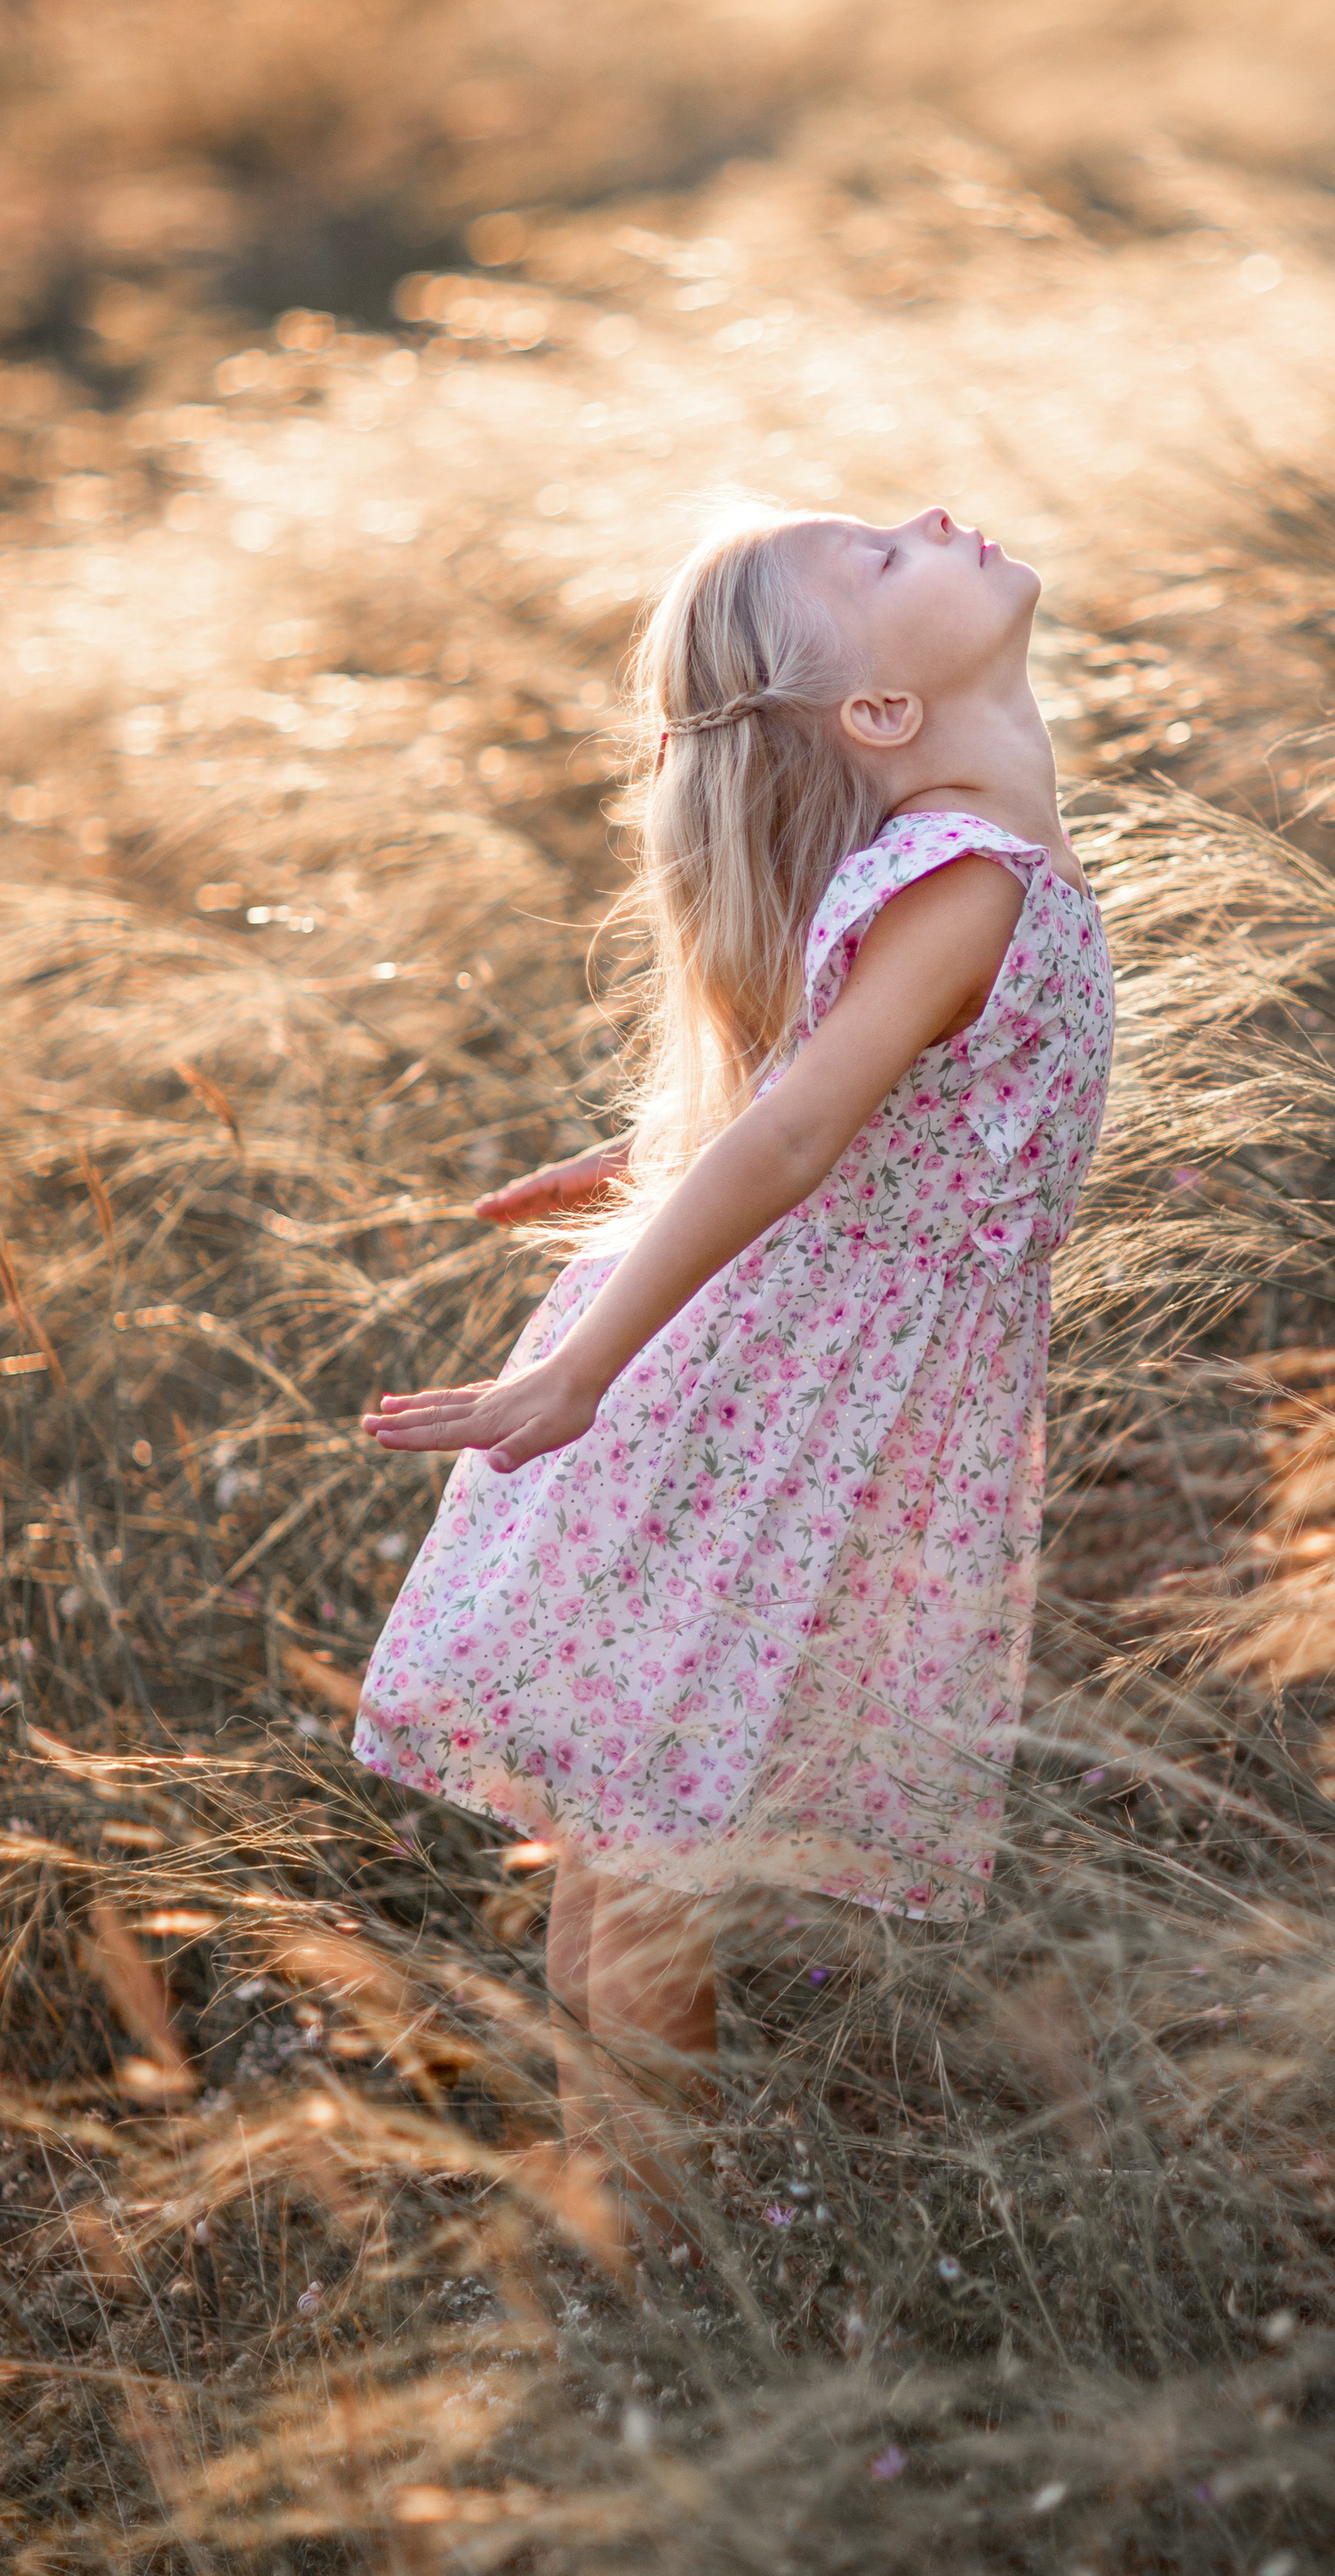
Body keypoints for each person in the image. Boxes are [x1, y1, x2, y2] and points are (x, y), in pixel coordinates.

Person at [353, 505, 1115, 2242]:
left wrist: (641, 1177)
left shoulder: (963, 852)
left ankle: (621, 2221)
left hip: (795, 1380)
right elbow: (791, 1132)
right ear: (877, 716)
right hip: (768, 1403)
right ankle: (663, 2266)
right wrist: (589, 1365)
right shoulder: (966, 873)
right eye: (871, 560)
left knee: (629, 1837)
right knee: (651, 1854)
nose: (924, 520)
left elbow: (855, 1132)